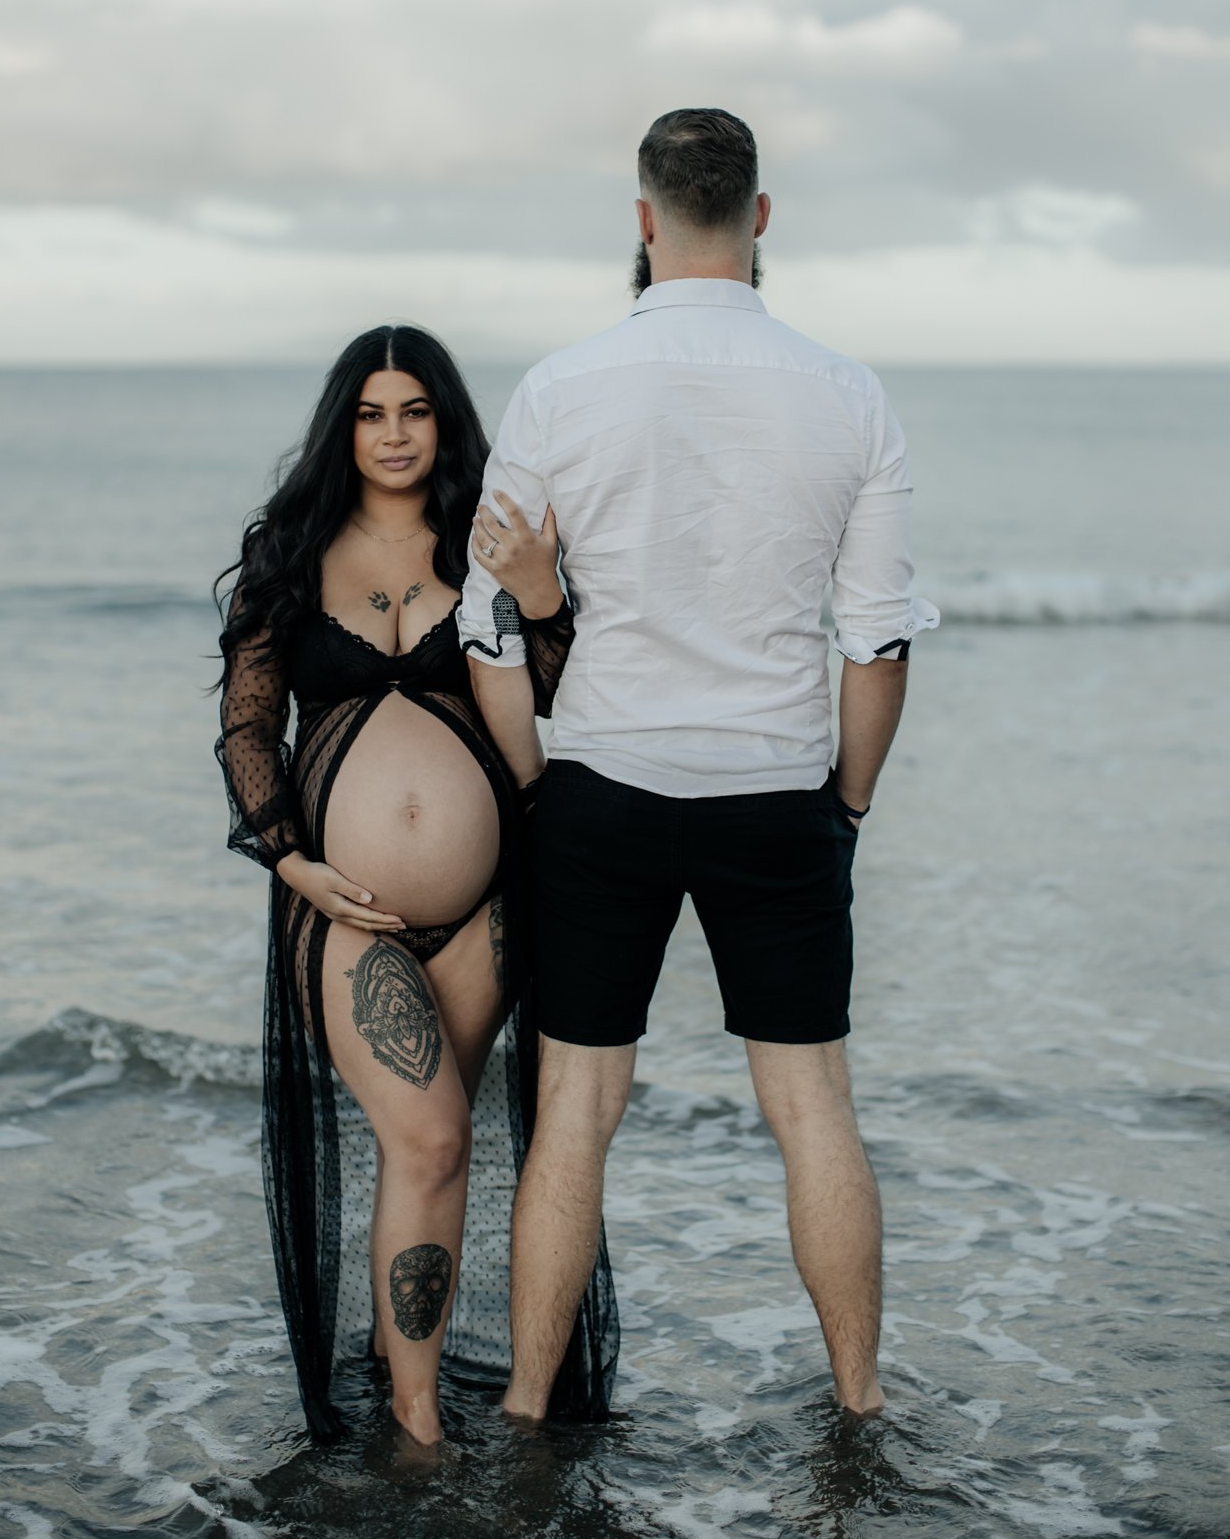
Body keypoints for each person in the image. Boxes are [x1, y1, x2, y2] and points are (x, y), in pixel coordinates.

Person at [458, 109, 938, 1421]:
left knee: (575, 1117)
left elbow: (489, 626)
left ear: (643, 218)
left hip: (601, 789)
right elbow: (878, 641)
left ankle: (523, 1412)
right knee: (811, 1110)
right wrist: (845, 804)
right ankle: (856, 1406)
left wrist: (535, 783)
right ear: (762, 216)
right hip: (777, 792)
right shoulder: (849, 394)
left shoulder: (561, 390)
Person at [215, 324, 617, 1446]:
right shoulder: (289, 550)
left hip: (488, 906)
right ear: (343, 426)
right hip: (344, 907)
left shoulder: (488, 543)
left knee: (433, 1145)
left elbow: (569, 695)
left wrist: (542, 598)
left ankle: (414, 1386)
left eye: (416, 411)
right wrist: (291, 858)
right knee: (434, 1135)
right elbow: (248, 721)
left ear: (446, 421)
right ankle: (421, 1422)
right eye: (371, 412)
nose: (393, 434)